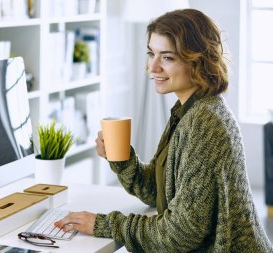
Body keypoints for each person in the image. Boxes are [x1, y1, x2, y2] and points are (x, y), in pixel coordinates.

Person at [54, 8, 273, 252]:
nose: (153, 67)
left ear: (197, 60)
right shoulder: (189, 110)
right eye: (151, 53)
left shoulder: (203, 121)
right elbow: (162, 193)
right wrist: (123, 159)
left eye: (167, 57)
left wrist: (105, 224)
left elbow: (179, 234)